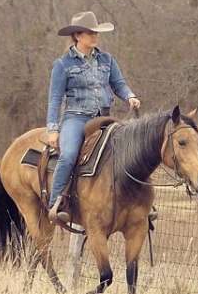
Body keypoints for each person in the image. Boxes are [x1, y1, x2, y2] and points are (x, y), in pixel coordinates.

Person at [46, 11, 141, 223]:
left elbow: (119, 84)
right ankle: (56, 203)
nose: (95, 36)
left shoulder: (107, 59)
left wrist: (130, 96)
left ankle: (137, 203)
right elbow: (55, 99)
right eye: (90, 33)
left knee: (131, 151)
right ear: (77, 36)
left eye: (96, 32)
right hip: (76, 118)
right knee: (69, 155)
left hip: (104, 118)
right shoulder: (63, 65)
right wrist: (53, 129)